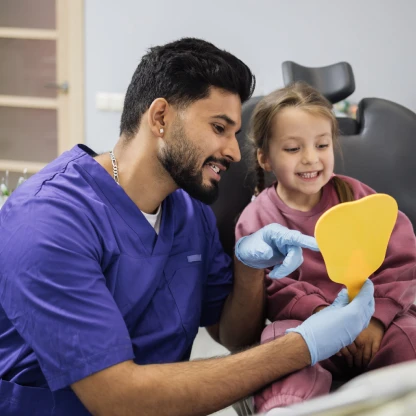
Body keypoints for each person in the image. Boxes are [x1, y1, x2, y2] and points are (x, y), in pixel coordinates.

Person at [0, 39, 375, 416]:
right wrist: (301, 346)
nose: (234, 151)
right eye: (219, 128)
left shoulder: (190, 212)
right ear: (161, 117)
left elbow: (231, 336)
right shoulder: (45, 222)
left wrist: (248, 268)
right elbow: (118, 398)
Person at [235, 82, 416, 414]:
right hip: (307, 330)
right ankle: (287, 408)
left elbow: (400, 264)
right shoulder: (258, 218)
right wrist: (322, 317)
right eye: (292, 149)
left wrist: (375, 320)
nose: (310, 158)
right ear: (265, 157)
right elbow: (274, 288)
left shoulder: (361, 199)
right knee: (275, 343)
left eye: (322, 145)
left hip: (374, 326)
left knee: (410, 334)